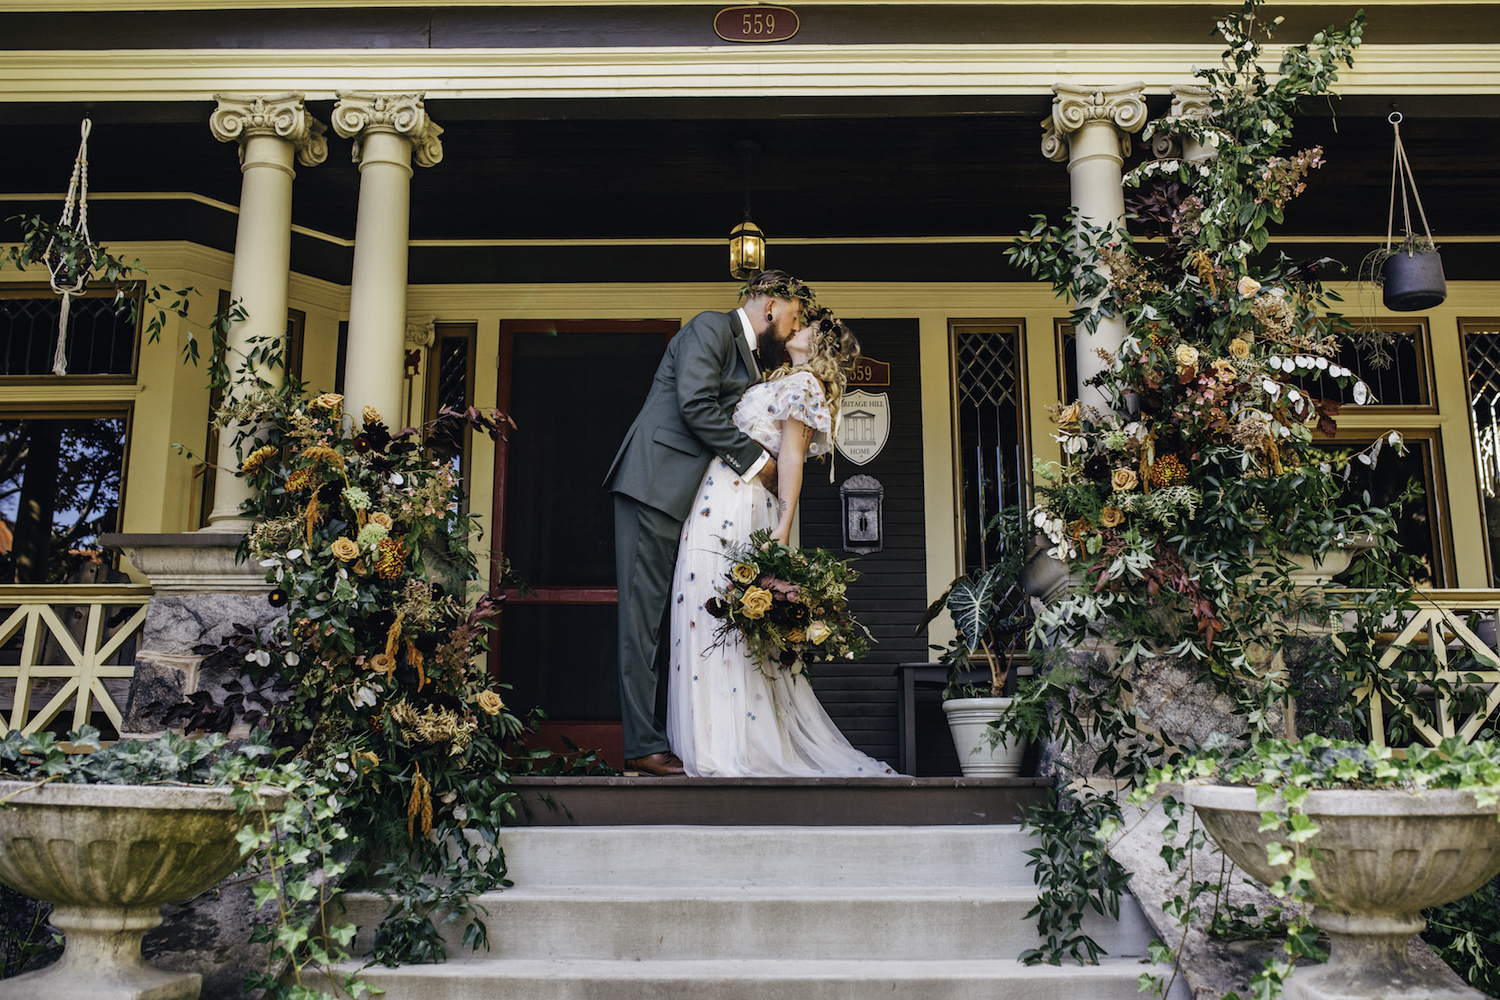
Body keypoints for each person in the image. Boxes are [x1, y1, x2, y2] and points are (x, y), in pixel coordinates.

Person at [666, 309, 897, 777]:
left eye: (807, 326)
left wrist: (785, 524)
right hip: (711, 498)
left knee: (725, 616)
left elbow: (791, 456)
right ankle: (708, 743)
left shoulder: (807, 385)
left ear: (820, 345)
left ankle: (741, 747)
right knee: (698, 614)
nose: (797, 327)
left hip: (744, 503)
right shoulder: (776, 377)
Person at [604, 270, 816, 776]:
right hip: (653, 486)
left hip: (686, 502)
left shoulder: (749, 357)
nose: (793, 327)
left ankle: (666, 737)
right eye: (793, 316)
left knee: (667, 620)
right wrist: (759, 463)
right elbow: (695, 405)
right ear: (770, 306)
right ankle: (641, 746)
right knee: (642, 622)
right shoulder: (709, 328)